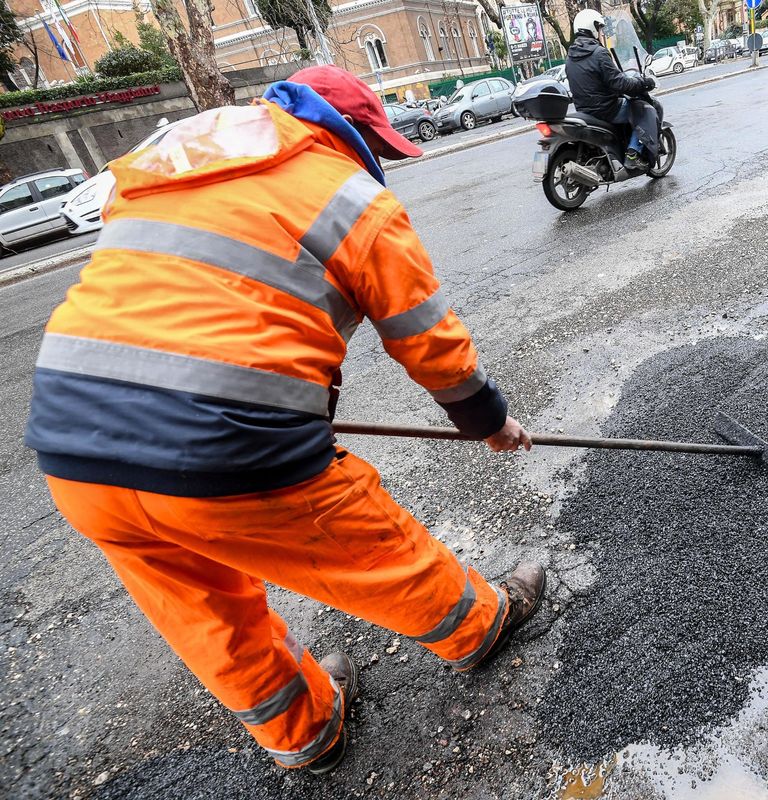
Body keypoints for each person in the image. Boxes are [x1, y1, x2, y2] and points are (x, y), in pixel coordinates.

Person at [23, 65, 546, 775]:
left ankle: (304, 733)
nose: (379, 164)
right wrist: (488, 422)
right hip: (224, 444)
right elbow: (428, 338)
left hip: (70, 443)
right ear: (351, 133)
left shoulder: (168, 174)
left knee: (205, 611)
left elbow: (192, 310)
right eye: (378, 147)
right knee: (369, 545)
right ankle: (479, 628)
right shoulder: (345, 193)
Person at [564, 9, 660, 170]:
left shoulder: (570, 57)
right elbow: (620, 84)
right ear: (592, 28)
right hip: (607, 109)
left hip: (584, 111)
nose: (601, 32)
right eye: (600, 28)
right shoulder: (599, 53)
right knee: (643, 109)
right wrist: (645, 83)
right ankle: (633, 153)